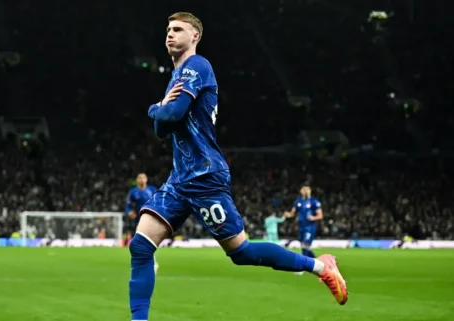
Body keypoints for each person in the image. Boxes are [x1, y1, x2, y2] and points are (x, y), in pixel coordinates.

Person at [128, 12, 347, 321]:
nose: (170, 34)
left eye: (178, 29)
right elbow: (161, 130)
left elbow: (171, 116)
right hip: (180, 179)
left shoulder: (198, 66)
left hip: (205, 175)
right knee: (140, 246)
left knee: (241, 253)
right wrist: (162, 112)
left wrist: (156, 107)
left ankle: (322, 267)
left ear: (195, 37)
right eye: (167, 29)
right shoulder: (176, 76)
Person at [284, 184, 323, 275]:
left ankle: (301, 267)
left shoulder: (314, 202)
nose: (305, 190)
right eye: (303, 189)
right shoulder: (298, 202)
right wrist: (288, 214)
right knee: (304, 246)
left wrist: (313, 218)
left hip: (310, 227)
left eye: (307, 189)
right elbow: (292, 213)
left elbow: (320, 215)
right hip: (301, 227)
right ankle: (318, 263)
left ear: (310, 190)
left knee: (305, 245)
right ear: (301, 191)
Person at [125, 173, 159, 273]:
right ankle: (147, 264)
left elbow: (159, 202)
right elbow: (128, 205)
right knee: (140, 244)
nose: (141, 179)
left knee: (147, 242)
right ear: (136, 180)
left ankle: (151, 264)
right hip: (138, 221)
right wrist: (129, 212)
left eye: (143, 177)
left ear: (146, 179)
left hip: (151, 220)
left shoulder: (152, 190)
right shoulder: (133, 192)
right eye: (139, 177)